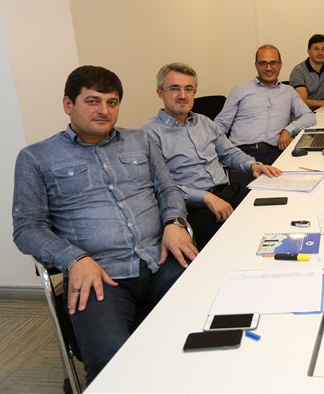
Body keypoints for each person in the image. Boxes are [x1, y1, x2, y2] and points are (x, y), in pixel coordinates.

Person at [12, 66, 197, 385]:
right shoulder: (36, 158)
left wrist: (174, 222)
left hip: (161, 260)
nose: (104, 110)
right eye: (92, 101)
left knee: (219, 318)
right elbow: (27, 228)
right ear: (68, 104)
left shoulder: (141, 140)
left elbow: (168, 189)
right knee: (111, 363)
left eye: (112, 102)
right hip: (100, 275)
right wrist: (74, 258)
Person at [142, 63, 283, 250]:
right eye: (174, 89)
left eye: (189, 89)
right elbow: (160, 186)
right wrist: (205, 197)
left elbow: (229, 152)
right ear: (160, 93)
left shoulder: (204, 122)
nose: (183, 95)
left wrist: (253, 165)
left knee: (276, 212)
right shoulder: (149, 134)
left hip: (228, 192)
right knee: (242, 241)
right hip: (195, 207)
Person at [215, 44, 315, 165]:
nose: (268, 68)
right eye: (263, 63)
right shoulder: (239, 90)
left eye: (273, 63)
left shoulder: (289, 92)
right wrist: (224, 152)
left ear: (280, 65)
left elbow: (309, 116)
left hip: (276, 152)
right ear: (256, 65)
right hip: (243, 153)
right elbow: (220, 125)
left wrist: (288, 130)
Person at [289, 34, 324, 110]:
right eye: (316, 49)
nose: (320, 53)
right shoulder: (298, 72)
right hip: (302, 114)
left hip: (321, 111)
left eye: (323, 49)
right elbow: (302, 101)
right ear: (309, 52)